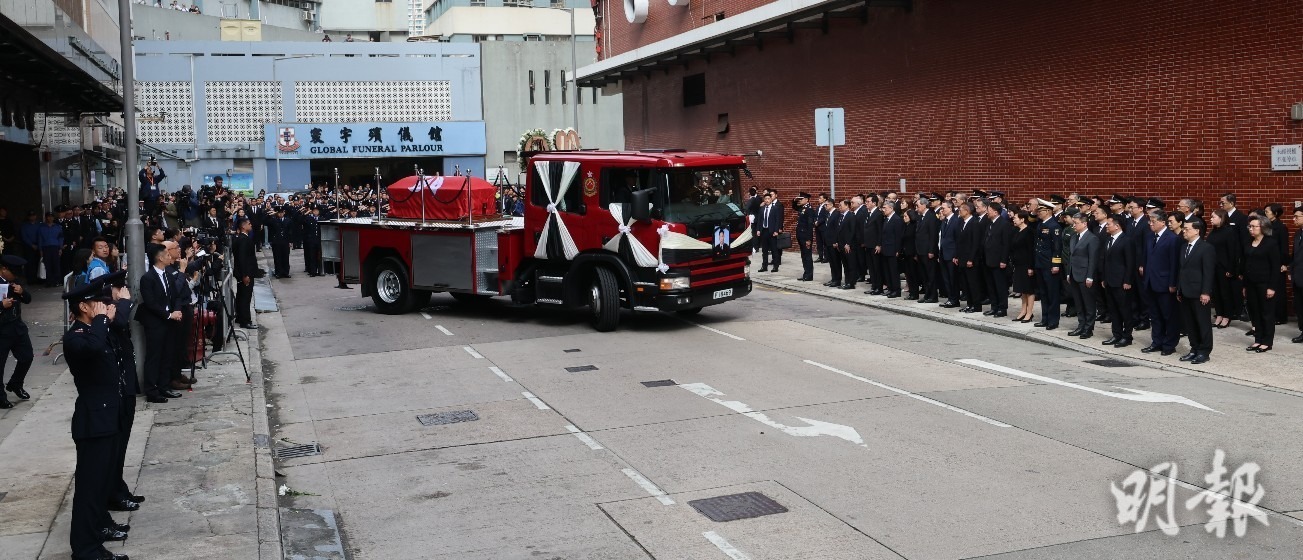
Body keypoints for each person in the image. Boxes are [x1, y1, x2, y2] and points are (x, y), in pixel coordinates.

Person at [61, 276, 130, 560]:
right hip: (94, 422)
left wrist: (106, 320)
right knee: (89, 489)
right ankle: (86, 549)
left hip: (108, 418)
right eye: (97, 303)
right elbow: (90, 348)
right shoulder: (76, 337)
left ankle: (100, 526)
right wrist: (102, 321)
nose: (104, 306)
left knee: (101, 483)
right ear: (83, 307)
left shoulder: (97, 331)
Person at [137, 243, 184, 403]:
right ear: (159, 258)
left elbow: (176, 296)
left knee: (167, 354)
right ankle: (152, 390)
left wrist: (177, 311)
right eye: (167, 254)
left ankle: (164, 386)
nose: (170, 257)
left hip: (171, 321)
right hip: (156, 322)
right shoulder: (147, 278)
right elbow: (150, 303)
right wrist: (169, 315)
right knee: (154, 356)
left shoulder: (168, 276)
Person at [1141, 210, 1181, 356]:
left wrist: (1173, 283)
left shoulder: (1172, 238)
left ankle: (1169, 344)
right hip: (1151, 281)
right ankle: (1156, 341)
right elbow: (1147, 259)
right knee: (1155, 315)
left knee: (1168, 315)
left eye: (1153, 221)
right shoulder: (1149, 236)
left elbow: (1174, 263)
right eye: (1150, 221)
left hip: (1165, 283)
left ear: (1162, 222)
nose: (1150, 224)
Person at [1177, 219, 1214, 363]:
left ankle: (1204, 351)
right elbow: (1182, 270)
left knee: (1202, 323)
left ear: (1197, 231)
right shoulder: (1184, 247)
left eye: (1187, 229)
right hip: (1185, 291)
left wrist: (1206, 292)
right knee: (1190, 323)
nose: (1184, 231)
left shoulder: (1206, 248)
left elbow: (1208, 272)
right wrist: (1179, 289)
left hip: (1199, 292)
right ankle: (1194, 348)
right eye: (1184, 229)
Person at [1241, 216, 1280, 352]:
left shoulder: (1271, 243)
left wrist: (1272, 287)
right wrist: (1244, 285)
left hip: (1265, 284)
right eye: (1249, 226)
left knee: (1266, 313)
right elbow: (1245, 264)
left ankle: (1267, 342)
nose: (1251, 229)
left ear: (1263, 227)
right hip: (1251, 283)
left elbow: (1275, 267)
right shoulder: (1248, 242)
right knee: (1255, 312)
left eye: (1254, 226)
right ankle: (1258, 339)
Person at [0, 255, 34, 408]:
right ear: (4, 269)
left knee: (27, 357)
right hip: (2, 330)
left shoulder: (15, 281)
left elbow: (28, 299)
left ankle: (16, 383)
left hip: (17, 327)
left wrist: (21, 292)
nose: (15, 276)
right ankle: (1, 397)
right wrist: (1, 305)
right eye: (13, 272)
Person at [1099, 215, 1136, 347]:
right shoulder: (1108, 240)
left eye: (1109, 224)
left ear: (1117, 226)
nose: (1106, 226)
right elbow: (1105, 261)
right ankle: (1116, 334)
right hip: (1109, 281)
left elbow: (1130, 263)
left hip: (1121, 282)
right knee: (1113, 310)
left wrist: (1128, 280)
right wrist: (1104, 278)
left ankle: (1127, 336)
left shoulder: (1126, 240)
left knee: (1124, 310)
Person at [1066, 212, 1100, 339]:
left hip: (1085, 275)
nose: (1074, 225)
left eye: (1076, 223)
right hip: (1074, 274)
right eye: (1073, 223)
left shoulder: (1092, 238)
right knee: (1079, 303)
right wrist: (1069, 273)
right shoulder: (1074, 237)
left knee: (1088, 303)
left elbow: (1093, 259)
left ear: (1084, 223)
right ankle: (1081, 325)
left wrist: (1090, 276)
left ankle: (1088, 328)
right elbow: (1071, 256)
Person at [1205, 209, 1241, 329]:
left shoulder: (1229, 231)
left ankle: (1227, 316)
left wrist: (1231, 269)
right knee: (1216, 293)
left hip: (1224, 268)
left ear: (1221, 218)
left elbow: (1233, 251)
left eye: (1213, 217)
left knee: (1225, 293)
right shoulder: (1213, 232)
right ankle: (1219, 314)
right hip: (1213, 267)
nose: (1211, 219)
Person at [1032, 200, 1061, 329]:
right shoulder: (1041, 224)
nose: (1038, 213)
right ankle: (1045, 318)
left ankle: (1053, 320)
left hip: (1049, 264)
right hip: (1040, 262)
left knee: (1052, 293)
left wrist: (1056, 264)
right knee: (1043, 293)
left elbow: (1057, 247)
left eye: (1041, 211)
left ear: (1048, 211)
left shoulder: (1054, 226)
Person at [982, 202, 1013, 317]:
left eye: (989, 210)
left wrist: (1003, 260)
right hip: (988, 260)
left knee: (1000, 286)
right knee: (991, 286)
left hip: (998, 261)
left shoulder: (1004, 224)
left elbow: (1006, 244)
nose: (987, 212)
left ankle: (1002, 308)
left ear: (995, 212)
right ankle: (994, 306)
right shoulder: (990, 223)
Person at [1264, 203, 1290, 324]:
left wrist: (1284, 263)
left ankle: (1280, 316)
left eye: (1267, 212)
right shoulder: (1266, 226)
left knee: (1278, 290)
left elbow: (1284, 247)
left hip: (1278, 262)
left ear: (1275, 213)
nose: (1265, 214)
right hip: (1268, 262)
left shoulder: (1281, 227)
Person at [1009, 210, 1036, 323]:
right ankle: (1023, 311)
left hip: (1026, 264)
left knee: (1029, 289)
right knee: (1022, 289)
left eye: (1015, 217)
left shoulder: (1029, 232)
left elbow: (1031, 250)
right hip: (1018, 264)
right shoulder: (1016, 230)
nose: (1013, 219)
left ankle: (1029, 313)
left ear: (1022, 219)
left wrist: (1031, 267)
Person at [232, 219, 258, 329]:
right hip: (245, 273)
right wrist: (245, 275)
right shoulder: (243, 239)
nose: (251, 225)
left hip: (244, 272)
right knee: (245, 297)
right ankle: (245, 320)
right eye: (249, 223)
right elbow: (242, 259)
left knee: (241, 295)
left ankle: (240, 317)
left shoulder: (242, 238)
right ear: (243, 226)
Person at [875, 200, 903, 297]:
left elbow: (898, 236)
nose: (883, 210)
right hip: (885, 249)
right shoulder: (886, 219)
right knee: (887, 271)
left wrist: (897, 250)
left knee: (893, 271)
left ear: (891, 208)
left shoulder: (896, 219)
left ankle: (896, 290)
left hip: (892, 250)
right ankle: (890, 288)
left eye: (885, 208)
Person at [835, 199, 861, 290]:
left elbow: (852, 231)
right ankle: (847, 282)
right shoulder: (841, 216)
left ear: (847, 206)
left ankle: (851, 283)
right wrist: (837, 242)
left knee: (851, 265)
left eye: (841, 205)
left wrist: (848, 243)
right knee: (845, 265)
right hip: (841, 245)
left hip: (849, 245)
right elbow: (838, 230)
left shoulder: (851, 216)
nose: (839, 207)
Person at [757, 193, 783, 272]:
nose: (767, 200)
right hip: (764, 231)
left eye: (768, 199)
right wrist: (758, 230)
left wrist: (776, 230)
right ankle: (764, 266)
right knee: (764, 250)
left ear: (771, 199)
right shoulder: (762, 209)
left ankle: (775, 266)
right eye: (765, 199)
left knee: (774, 249)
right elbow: (759, 220)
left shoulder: (775, 208)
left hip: (771, 231)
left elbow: (777, 220)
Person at [794, 194, 815, 281]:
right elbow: (794, 207)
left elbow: (810, 226)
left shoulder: (809, 210)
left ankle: (809, 275)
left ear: (806, 199)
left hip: (805, 236)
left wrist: (808, 239)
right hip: (800, 235)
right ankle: (806, 273)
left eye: (801, 199)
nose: (800, 200)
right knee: (803, 256)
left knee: (807, 256)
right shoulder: (802, 208)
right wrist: (795, 200)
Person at [1291, 204, 1303, 344]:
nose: (1294, 219)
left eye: (1296, 217)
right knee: (1300, 307)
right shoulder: (1298, 234)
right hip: (1298, 277)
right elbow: (1294, 255)